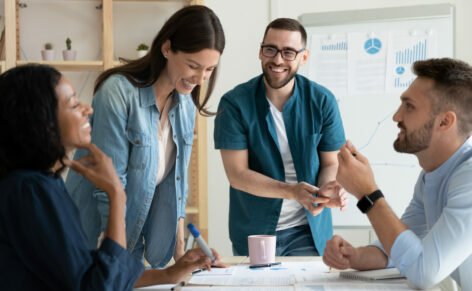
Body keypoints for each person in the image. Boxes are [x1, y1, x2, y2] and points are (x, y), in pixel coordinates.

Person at [0, 64, 220, 290]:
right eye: (74, 104)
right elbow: (98, 285)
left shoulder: (41, 184)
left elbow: (90, 272)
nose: (87, 109)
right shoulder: (30, 192)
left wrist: (170, 274)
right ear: (40, 120)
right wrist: (116, 194)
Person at [66, 5, 225, 268]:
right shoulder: (117, 93)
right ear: (166, 48)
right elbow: (109, 188)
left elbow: (178, 188)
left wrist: (181, 257)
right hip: (92, 243)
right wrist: (116, 264)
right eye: (193, 66)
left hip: (128, 246)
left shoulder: (184, 104)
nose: (200, 79)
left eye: (209, 70)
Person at [322, 58, 472, 290]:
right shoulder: (431, 176)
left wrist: (367, 194)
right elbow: (400, 249)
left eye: (409, 106)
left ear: (444, 122)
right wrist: (355, 256)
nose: (396, 116)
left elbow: (423, 271)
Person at [214, 18, 347, 257]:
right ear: (260, 51)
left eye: (288, 52)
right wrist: (292, 191)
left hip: (308, 230)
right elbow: (237, 175)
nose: (277, 59)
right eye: (270, 50)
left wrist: (326, 189)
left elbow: (331, 162)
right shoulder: (234, 104)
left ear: (303, 58)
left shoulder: (322, 101)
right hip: (254, 232)